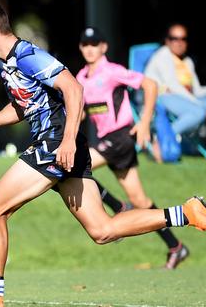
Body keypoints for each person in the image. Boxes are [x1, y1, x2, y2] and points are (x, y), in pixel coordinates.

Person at [0, 0, 206, 307]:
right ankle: (186, 214)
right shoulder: (8, 64)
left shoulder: (27, 55)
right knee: (102, 229)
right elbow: (23, 106)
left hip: (55, 143)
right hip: (63, 144)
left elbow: (73, 89)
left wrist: (67, 140)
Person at [76, 27, 188, 269]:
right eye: (85, 44)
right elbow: (84, 110)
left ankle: (118, 207)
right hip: (108, 141)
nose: (90, 48)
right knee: (141, 200)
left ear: (103, 47)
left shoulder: (113, 71)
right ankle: (176, 246)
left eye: (95, 44)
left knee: (74, 166)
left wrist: (145, 122)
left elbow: (150, 85)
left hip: (121, 137)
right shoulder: (80, 78)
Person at [144, 23, 206, 163]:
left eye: (183, 38)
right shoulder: (162, 55)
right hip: (163, 97)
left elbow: (197, 91)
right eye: (174, 38)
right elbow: (174, 86)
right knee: (198, 112)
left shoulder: (187, 62)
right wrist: (200, 105)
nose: (179, 42)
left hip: (186, 99)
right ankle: (160, 141)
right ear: (167, 40)